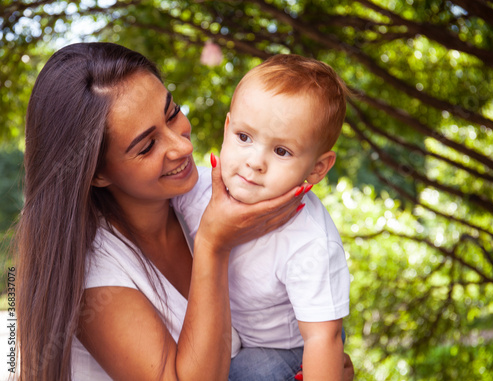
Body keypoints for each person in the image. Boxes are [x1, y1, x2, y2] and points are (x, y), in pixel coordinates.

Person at [16, 42, 306, 381]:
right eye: (148, 146)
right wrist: (213, 246)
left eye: (172, 113)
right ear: (97, 173)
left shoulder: (199, 200)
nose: (183, 146)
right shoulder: (93, 276)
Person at [172, 54, 351, 380]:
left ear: (317, 168)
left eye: (281, 151)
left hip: (289, 348)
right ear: (227, 129)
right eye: (244, 137)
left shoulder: (310, 242)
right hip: (235, 336)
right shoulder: (195, 190)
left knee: (245, 373)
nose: (255, 161)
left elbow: (322, 338)